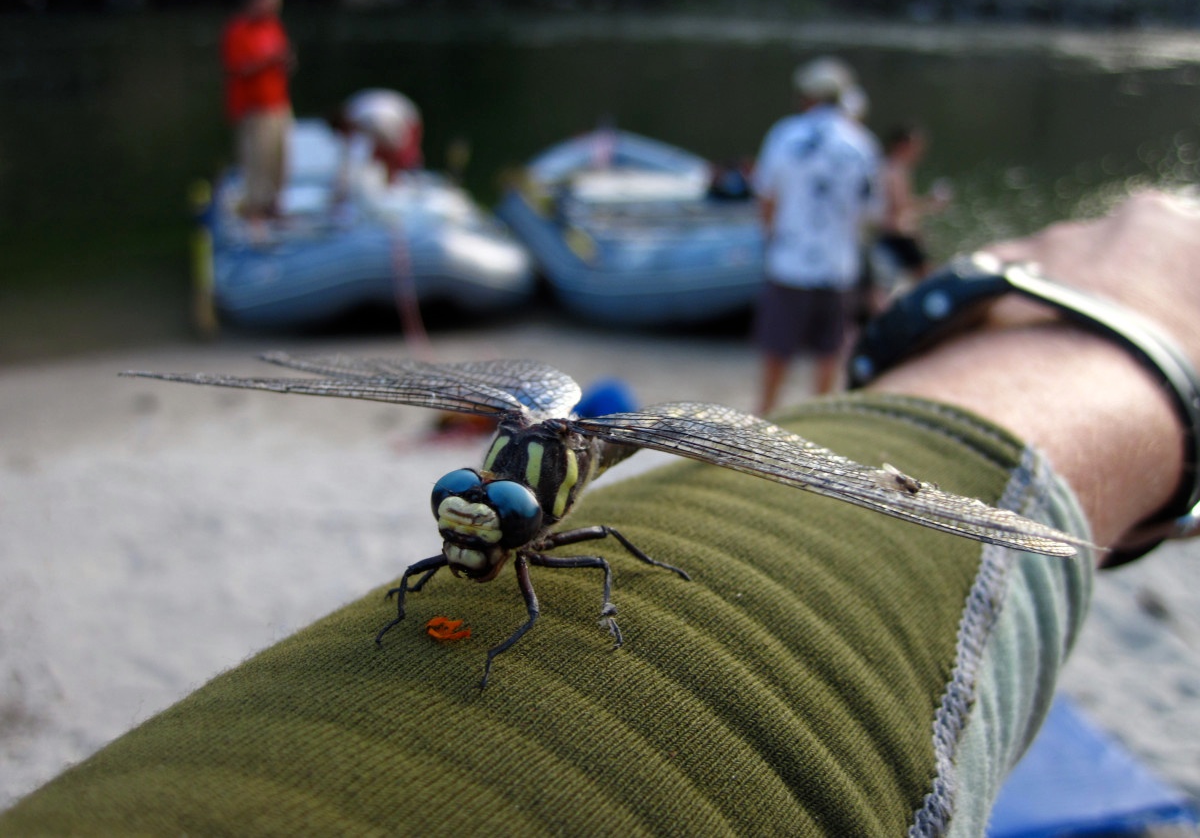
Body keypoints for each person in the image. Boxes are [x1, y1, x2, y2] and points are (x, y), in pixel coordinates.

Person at [3, 193, 1196, 835]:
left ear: (535, 514)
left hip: (639, 441)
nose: (468, 529)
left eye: (484, 516)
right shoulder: (482, 502)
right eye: (467, 511)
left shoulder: (556, 524)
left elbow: (595, 552)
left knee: (612, 556)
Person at [751, 56, 882, 412]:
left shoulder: (785, 134)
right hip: (838, 267)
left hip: (789, 262)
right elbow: (871, 212)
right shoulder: (862, 144)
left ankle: (764, 420)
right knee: (829, 353)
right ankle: (816, 426)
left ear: (807, 96)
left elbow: (766, 200)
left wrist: (771, 241)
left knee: (777, 351)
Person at [220, 0, 294, 224]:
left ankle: (274, 206)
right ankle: (254, 210)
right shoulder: (239, 30)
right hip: (253, 107)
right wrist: (268, 61)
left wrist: (285, 62)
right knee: (256, 162)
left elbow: (283, 60)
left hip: (278, 103)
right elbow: (236, 69)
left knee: (279, 159)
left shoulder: (273, 27)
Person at [876, 124, 952, 284]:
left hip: (899, 235)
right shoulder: (893, 168)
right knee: (928, 280)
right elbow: (899, 206)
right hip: (896, 236)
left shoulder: (896, 168)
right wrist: (931, 202)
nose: (920, 151)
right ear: (903, 144)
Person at [330, 89, 424, 192]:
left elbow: (392, 143)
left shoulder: (363, 118)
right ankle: (391, 186)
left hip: (405, 118)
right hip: (398, 113)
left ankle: (412, 186)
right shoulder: (355, 111)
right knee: (383, 154)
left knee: (400, 155)